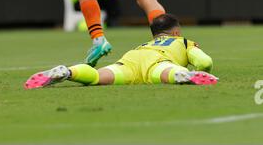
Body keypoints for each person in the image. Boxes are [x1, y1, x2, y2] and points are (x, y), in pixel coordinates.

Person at [24, 14, 218, 89]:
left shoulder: (147, 43)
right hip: (158, 60)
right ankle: (181, 75)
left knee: (97, 77)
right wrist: (202, 68)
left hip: (131, 59)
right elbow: (204, 62)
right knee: (165, 72)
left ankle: (67, 72)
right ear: (176, 32)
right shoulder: (183, 41)